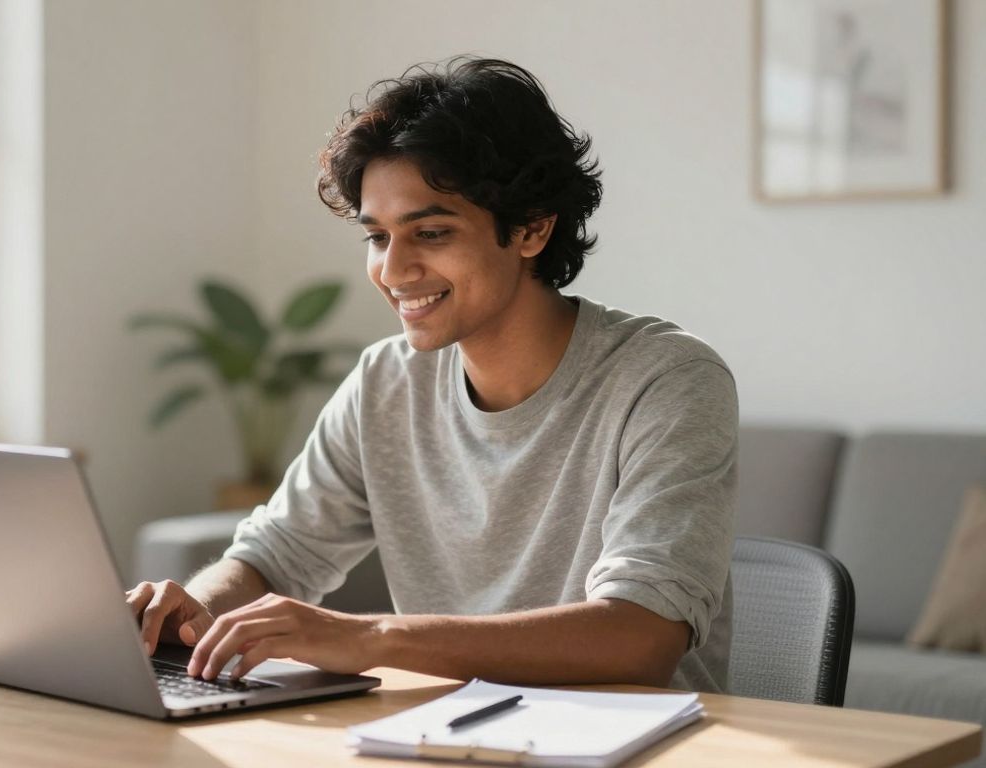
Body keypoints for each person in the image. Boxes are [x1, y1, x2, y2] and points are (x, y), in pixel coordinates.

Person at [125, 57, 738, 692]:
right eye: (377, 238)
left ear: (532, 227)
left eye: (432, 232)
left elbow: (640, 637)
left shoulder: (667, 378)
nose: (393, 271)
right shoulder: (386, 382)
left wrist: (370, 637)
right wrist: (193, 615)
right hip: (440, 736)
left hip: (636, 744)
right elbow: (273, 557)